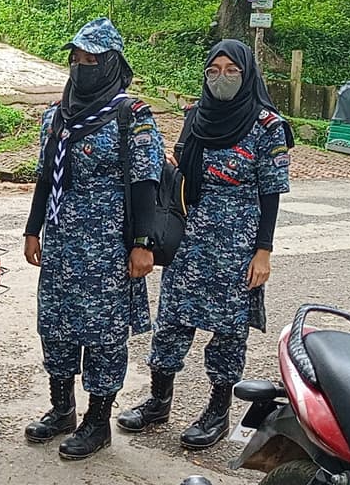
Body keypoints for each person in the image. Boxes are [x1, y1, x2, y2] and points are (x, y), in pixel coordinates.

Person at [117, 39, 294, 451]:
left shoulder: (268, 126)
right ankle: (159, 401)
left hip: (236, 242)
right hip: (188, 236)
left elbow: (271, 194)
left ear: (247, 73)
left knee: (229, 330)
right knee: (173, 321)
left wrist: (263, 251)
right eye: (213, 70)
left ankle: (217, 412)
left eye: (232, 70)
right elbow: (180, 166)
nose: (222, 77)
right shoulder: (196, 116)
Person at [22, 18, 165, 460]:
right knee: (57, 327)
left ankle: (97, 422)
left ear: (111, 63)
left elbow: (146, 182)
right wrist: (32, 229)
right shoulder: (57, 115)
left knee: (103, 334)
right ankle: (62, 409)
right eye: (76, 59)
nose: (81, 67)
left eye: (91, 60)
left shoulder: (131, 113)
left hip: (109, 246)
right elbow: (47, 176)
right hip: (62, 243)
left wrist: (143, 243)